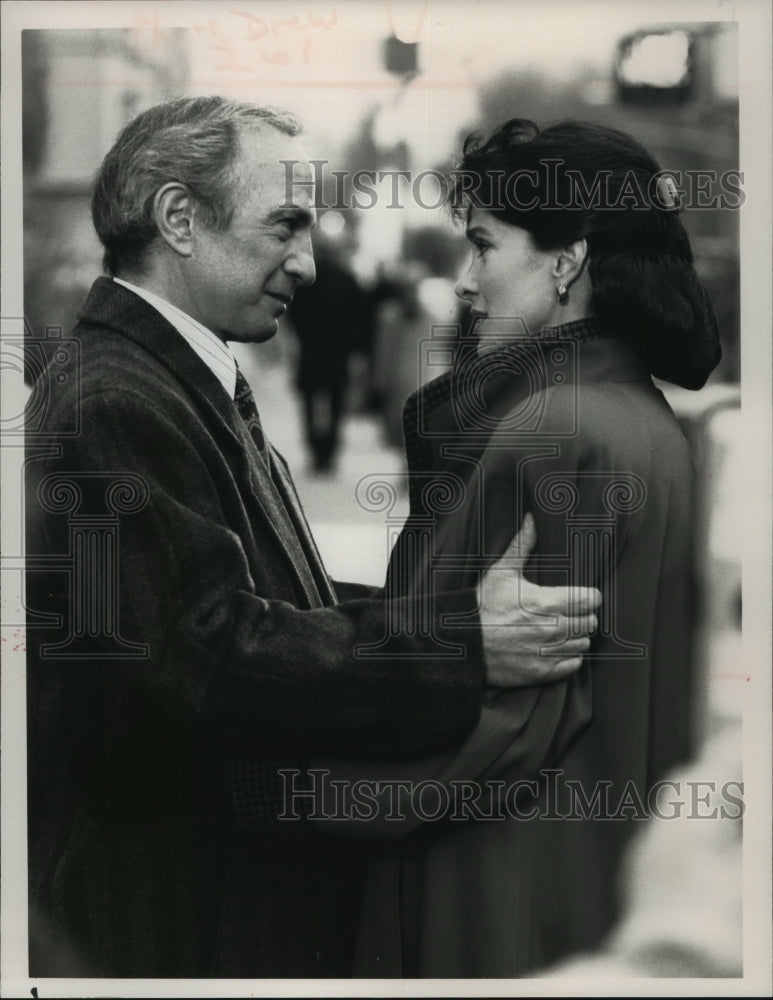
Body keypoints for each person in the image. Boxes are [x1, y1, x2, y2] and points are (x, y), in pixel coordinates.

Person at [24, 98, 601, 979]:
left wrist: (453, 612)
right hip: (170, 925)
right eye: (285, 225)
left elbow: (278, 603)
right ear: (179, 219)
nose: (305, 260)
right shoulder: (115, 400)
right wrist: (460, 646)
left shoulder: (165, 373)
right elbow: (212, 653)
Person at [316, 118, 722, 977]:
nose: (465, 283)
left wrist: (285, 786)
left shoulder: (547, 430)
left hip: (486, 892)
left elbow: (487, 721)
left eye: (483, 247)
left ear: (567, 260)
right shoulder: (642, 418)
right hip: (589, 871)